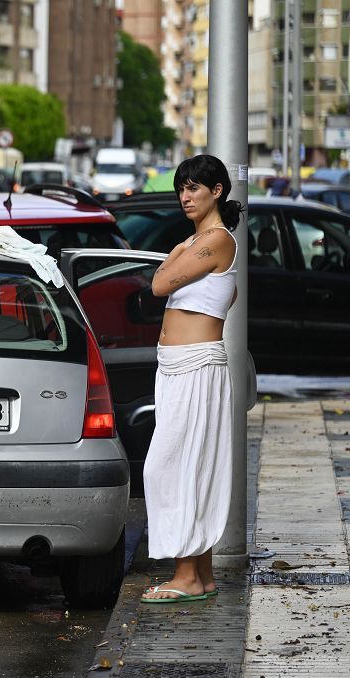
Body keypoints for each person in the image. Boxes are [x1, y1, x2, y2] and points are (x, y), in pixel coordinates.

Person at [140, 154, 242, 604]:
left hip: (198, 366)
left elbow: (159, 283)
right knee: (188, 464)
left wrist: (173, 260)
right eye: (182, 188)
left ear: (217, 191)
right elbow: (164, 277)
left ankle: (184, 575)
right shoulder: (195, 242)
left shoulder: (216, 240)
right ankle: (199, 573)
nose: (185, 196)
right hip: (176, 368)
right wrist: (176, 257)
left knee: (168, 467)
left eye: (194, 188)